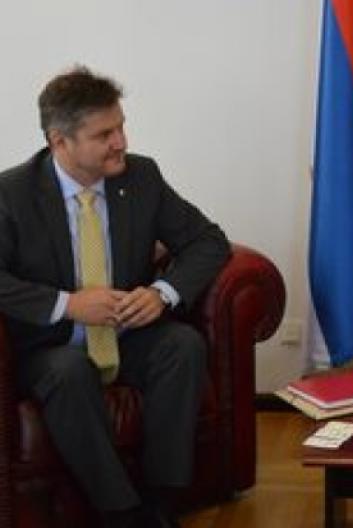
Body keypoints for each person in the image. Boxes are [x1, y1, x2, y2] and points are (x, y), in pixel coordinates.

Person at [0, 66, 231, 528]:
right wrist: (67, 304)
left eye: (121, 126)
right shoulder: (12, 194)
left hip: (126, 335)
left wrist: (163, 293)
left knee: (182, 345)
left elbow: (208, 241)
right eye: (104, 134)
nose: (121, 142)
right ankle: (121, 513)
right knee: (69, 371)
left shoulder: (141, 177)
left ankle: (162, 501)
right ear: (60, 141)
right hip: (50, 347)